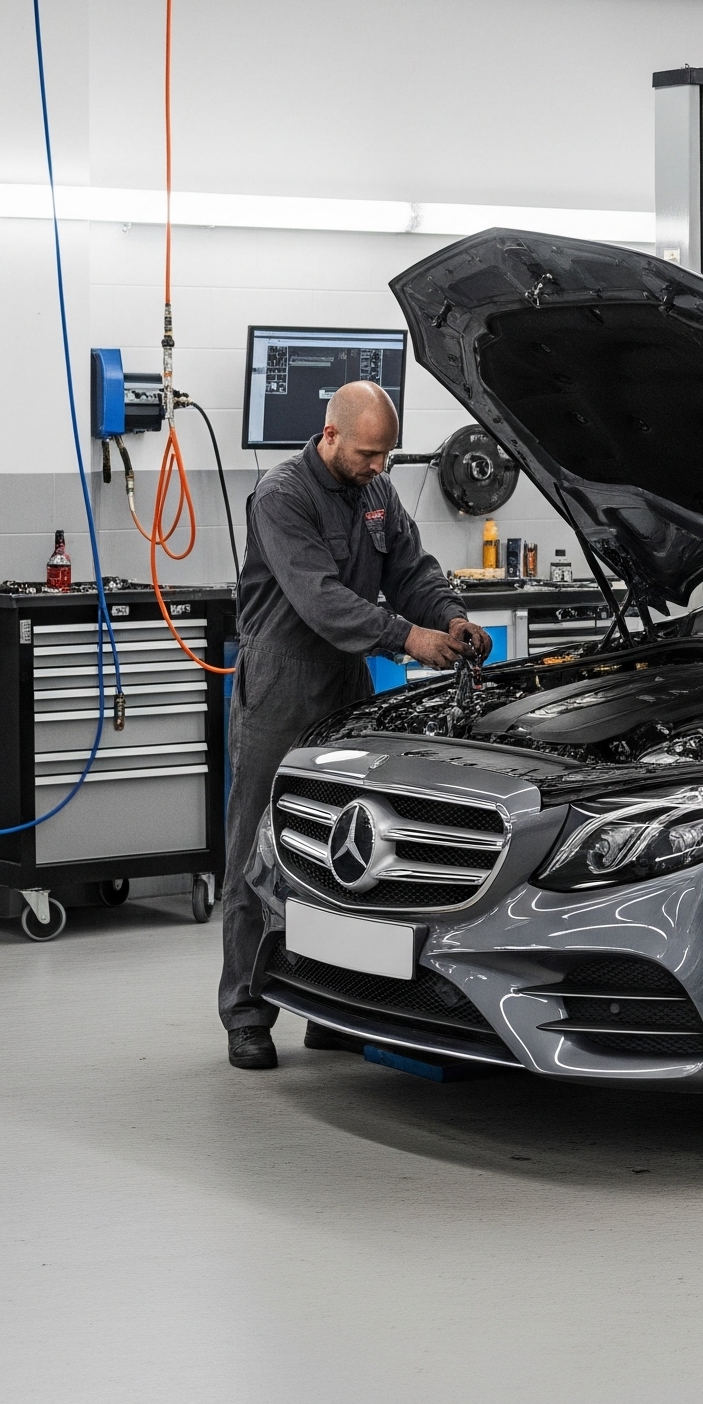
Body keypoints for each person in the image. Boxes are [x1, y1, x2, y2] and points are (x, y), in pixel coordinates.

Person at [219, 381, 491, 1069]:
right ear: (331, 435)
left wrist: (449, 615)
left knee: (350, 849)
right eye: (369, 453)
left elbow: (411, 571)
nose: (379, 466)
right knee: (259, 848)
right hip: (282, 682)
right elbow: (322, 601)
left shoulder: (377, 491)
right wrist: (410, 639)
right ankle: (246, 1012)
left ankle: (330, 1001)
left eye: (387, 455)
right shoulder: (281, 495)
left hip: (347, 686)